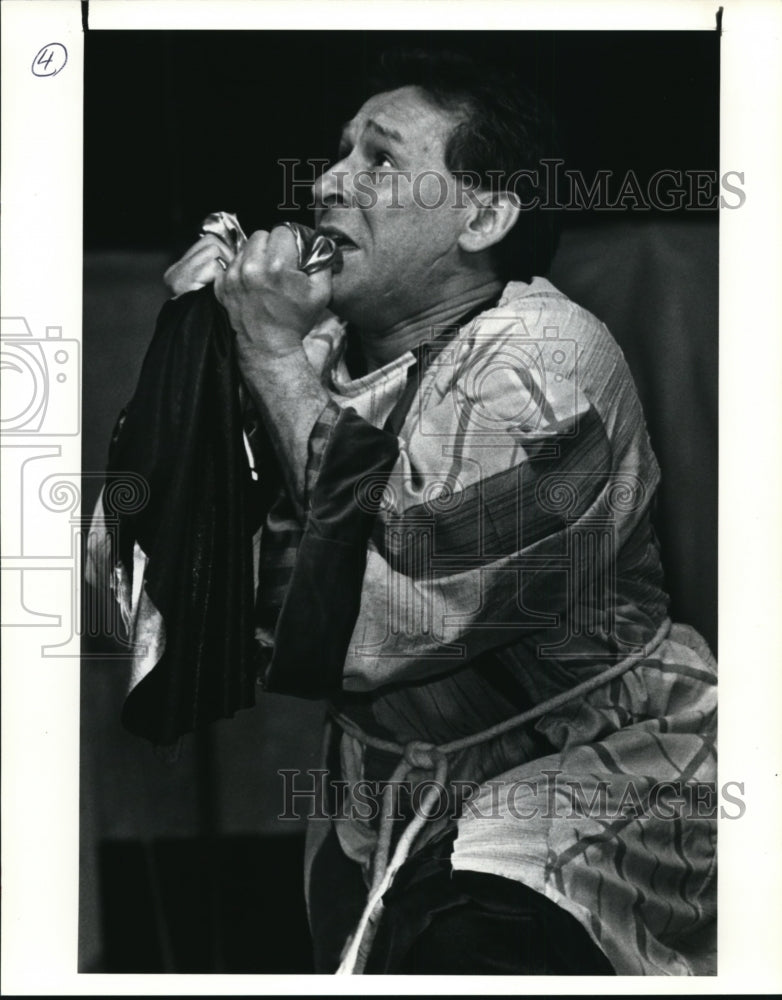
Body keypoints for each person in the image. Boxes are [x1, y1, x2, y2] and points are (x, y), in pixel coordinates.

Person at [162, 50, 716, 975]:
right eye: (337, 155)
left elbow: (395, 595)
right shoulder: (315, 351)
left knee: (470, 934)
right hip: (384, 793)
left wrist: (262, 355)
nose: (328, 182)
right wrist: (187, 362)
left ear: (485, 214)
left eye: (378, 160)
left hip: (599, 774)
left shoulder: (548, 365)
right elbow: (133, 602)